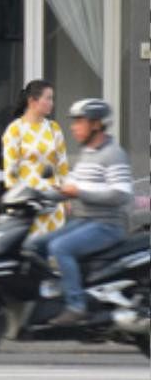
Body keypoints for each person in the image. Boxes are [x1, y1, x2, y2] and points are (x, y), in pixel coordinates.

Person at [33, 99, 133, 326]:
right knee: (35, 245)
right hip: (84, 221)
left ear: (96, 124)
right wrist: (37, 195)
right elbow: (69, 188)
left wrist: (79, 192)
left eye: (80, 121)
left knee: (61, 247)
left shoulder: (113, 154)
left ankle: (76, 305)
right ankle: (48, 299)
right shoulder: (87, 153)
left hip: (108, 225)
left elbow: (120, 194)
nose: (73, 127)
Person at [3, 80, 69, 235]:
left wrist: (65, 196)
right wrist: (17, 202)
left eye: (52, 98)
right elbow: (10, 173)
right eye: (48, 98)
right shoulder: (15, 130)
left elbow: (63, 166)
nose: (52, 103)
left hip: (52, 202)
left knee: (52, 250)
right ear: (32, 101)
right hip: (28, 203)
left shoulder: (54, 128)